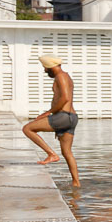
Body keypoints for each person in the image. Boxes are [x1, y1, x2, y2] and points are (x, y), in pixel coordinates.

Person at [23, 55, 80, 187]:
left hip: (63, 116)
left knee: (27, 128)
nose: (44, 70)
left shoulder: (61, 76)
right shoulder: (65, 76)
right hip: (70, 118)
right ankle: (76, 184)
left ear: (49, 66)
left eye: (44, 67)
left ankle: (51, 154)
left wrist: (48, 112)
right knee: (67, 152)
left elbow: (65, 98)